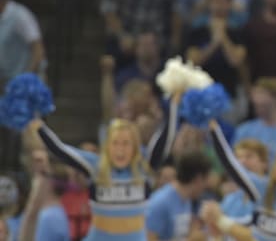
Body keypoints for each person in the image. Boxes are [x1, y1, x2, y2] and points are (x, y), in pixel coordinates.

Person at [29, 97, 181, 241]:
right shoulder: (96, 166)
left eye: (126, 143)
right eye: (115, 143)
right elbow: (60, 149)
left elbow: (165, 139)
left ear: (134, 147)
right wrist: (39, 126)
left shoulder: (143, 167)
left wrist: (174, 106)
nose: (120, 150)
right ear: (107, 146)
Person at [146, 150, 213, 241]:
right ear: (198, 179)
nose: (206, 186)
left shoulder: (186, 199)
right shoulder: (160, 203)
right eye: (205, 180)